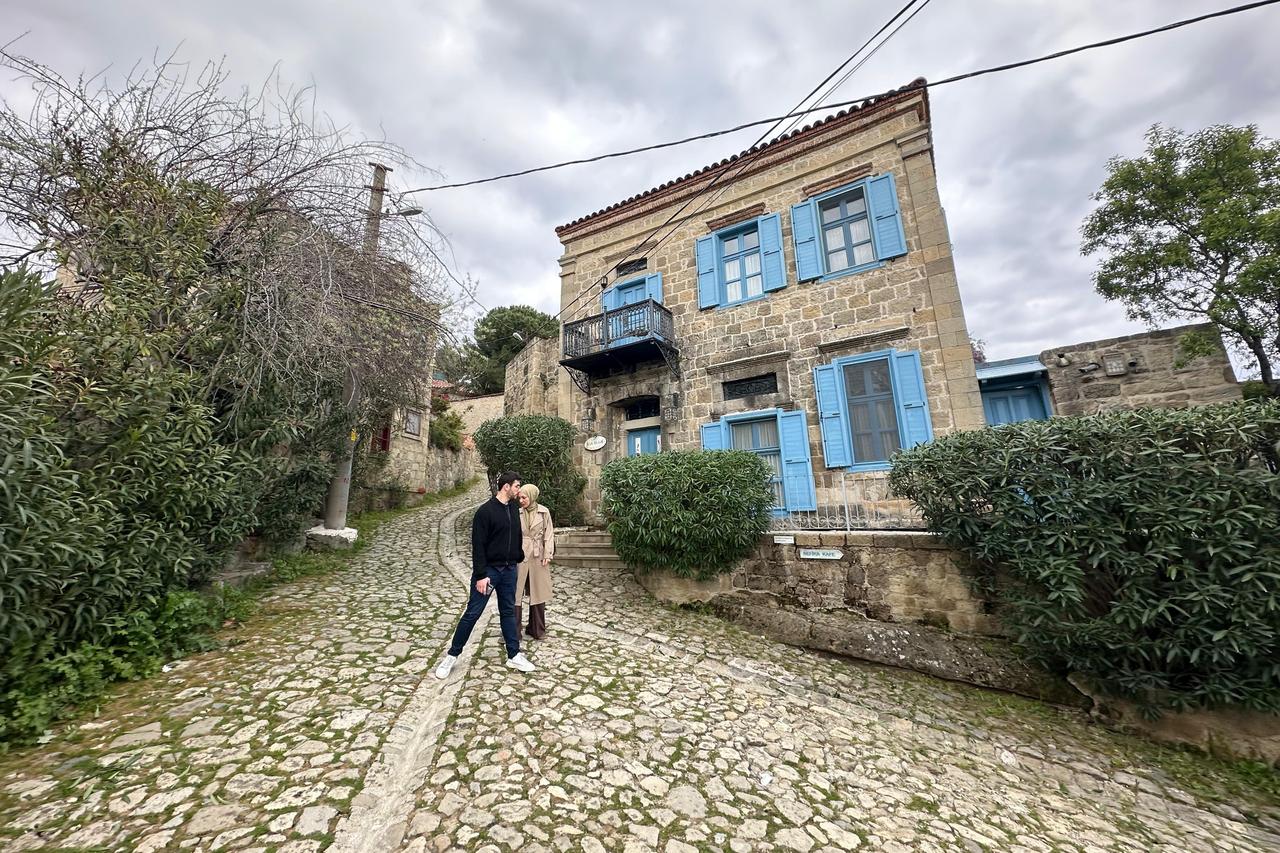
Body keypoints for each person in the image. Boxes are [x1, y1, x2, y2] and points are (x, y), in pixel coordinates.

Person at [434, 472, 536, 678]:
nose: (519, 490)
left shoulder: (514, 510)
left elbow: (516, 536)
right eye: (517, 486)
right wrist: (480, 575)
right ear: (506, 487)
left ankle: (513, 655)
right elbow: (478, 546)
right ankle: (451, 657)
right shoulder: (485, 512)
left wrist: (518, 556)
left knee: (508, 612)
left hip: (509, 571)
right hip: (489, 572)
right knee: (473, 612)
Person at [516, 484, 555, 640]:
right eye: (520, 497)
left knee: (539, 592)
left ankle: (537, 629)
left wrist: (548, 554)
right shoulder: (516, 512)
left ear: (532, 496)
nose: (521, 500)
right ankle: (513, 631)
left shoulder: (544, 512)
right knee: (515, 593)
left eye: (524, 497)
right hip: (520, 554)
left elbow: (549, 534)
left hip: (538, 555)